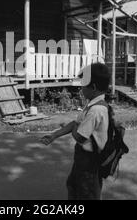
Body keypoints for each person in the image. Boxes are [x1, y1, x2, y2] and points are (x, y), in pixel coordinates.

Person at [40, 63, 111, 200]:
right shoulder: (92, 104)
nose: (81, 87)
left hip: (90, 160)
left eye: (83, 84)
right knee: (73, 185)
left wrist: (74, 128)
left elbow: (79, 137)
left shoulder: (96, 110)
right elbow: (75, 123)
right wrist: (54, 135)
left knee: (87, 193)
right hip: (82, 158)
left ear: (93, 87)